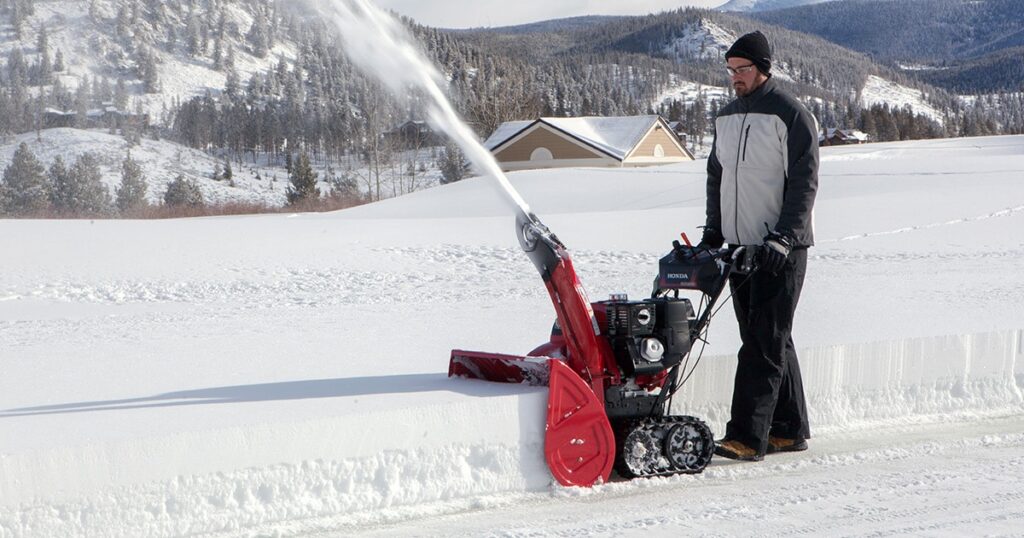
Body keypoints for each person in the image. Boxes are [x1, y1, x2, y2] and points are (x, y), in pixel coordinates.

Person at [699, 31, 819, 461]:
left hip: (780, 251)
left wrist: (784, 237)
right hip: (740, 248)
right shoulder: (726, 117)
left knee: (763, 343)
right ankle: (790, 428)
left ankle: (748, 437)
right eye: (730, 70)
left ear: (763, 68)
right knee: (768, 338)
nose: (735, 77)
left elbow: (804, 184)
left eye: (743, 69)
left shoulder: (791, 115)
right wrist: (714, 233)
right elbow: (717, 178)